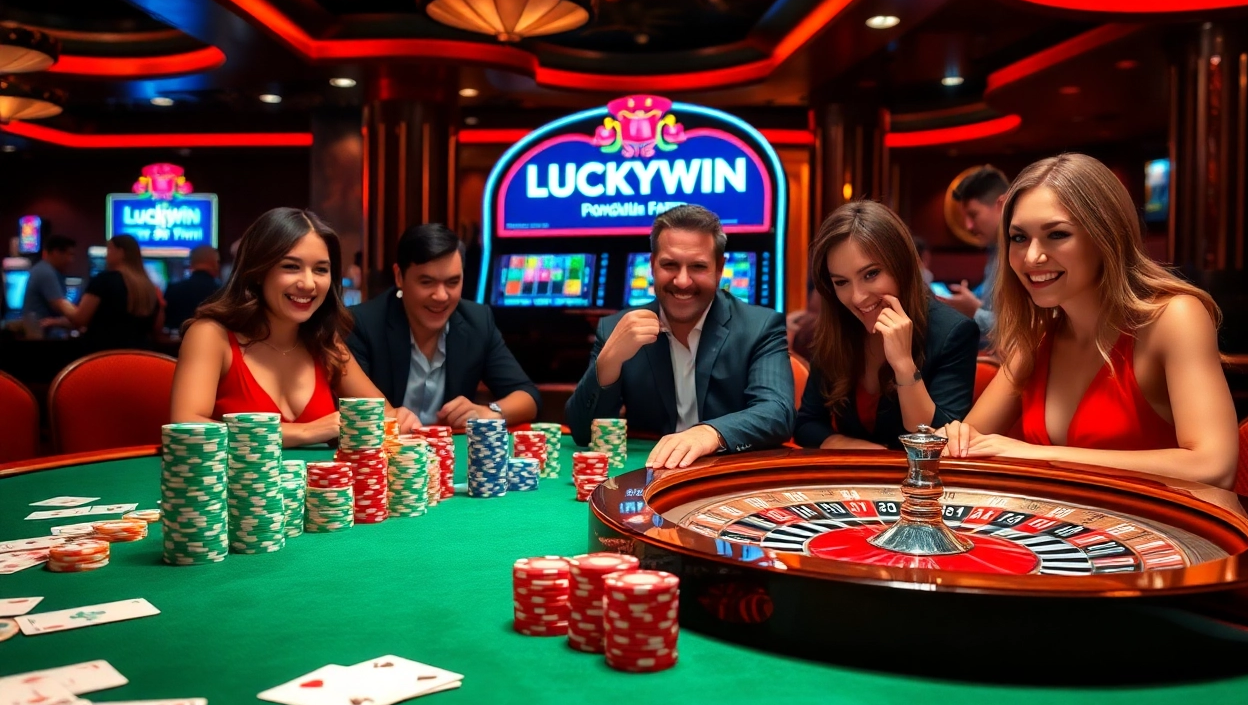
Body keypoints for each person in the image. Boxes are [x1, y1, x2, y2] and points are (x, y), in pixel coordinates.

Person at [941, 153, 1238, 490]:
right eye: (1019, 238)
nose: (1032, 257)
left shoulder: (1175, 318)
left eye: (1057, 235)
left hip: (1168, 533)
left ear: (1105, 237)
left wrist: (1034, 456)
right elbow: (968, 444)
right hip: (1064, 530)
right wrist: (956, 436)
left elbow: (1214, 466)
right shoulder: (1038, 336)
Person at [566, 204, 794, 469]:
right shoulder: (616, 328)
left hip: (728, 473)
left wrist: (709, 433)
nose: (682, 281)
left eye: (698, 266)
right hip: (647, 473)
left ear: (719, 268)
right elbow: (583, 433)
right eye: (670, 265)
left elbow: (778, 413)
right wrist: (609, 360)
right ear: (652, 265)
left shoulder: (760, 326)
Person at [170, 207, 410, 447]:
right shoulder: (210, 335)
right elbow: (186, 423)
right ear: (258, 272)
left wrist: (403, 418)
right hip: (234, 484)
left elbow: (385, 417)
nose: (308, 283)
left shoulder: (325, 342)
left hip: (317, 485)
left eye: (320, 270)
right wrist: (304, 432)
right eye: (291, 267)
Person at [794, 201, 978, 450]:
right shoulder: (836, 327)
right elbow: (807, 424)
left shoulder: (953, 332)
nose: (857, 297)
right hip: (852, 479)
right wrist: (858, 450)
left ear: (901, 266)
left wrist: (904, 365)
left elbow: (936, 439)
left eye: (870, 274)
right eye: (841, 282)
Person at [348, 223, 540, 429]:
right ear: (399, 277)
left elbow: (528, 397)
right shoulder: (362, 324)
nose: (441, 296)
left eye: (452, 282)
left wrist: (488, 412)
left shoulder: (477, 322)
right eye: (427, 282)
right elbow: (353, 412)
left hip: (453, 457)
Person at [48, 235, 163, 352]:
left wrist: (60, 303)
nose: (106, 255)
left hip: (104, 355)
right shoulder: (149, 287)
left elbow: (80, 319)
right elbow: (157, 327)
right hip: (140, 356)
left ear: (120, 252)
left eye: (109, 250)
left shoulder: (104, 280)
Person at [940, 166, 1010, 348]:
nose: (968, 226)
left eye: (973, 215)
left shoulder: (1022, 253)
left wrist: (974, 310)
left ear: (1001, 204)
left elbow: (1025, 329)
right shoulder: (995, 251)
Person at [20, 234, 76, 339]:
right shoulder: (45, 272)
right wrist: (84, 317)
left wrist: (59, 321)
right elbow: (62, 307)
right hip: (42, 336)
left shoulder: (52, 272)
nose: (71, 260)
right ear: (56, 253)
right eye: (69, 255)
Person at [164, 245, 221, 332]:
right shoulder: (222, 292)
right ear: (213, 263)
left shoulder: (173, 289)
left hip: (176, 344)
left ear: (191, 263)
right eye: (218, 262)